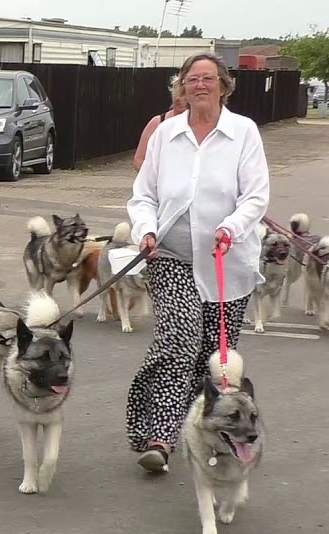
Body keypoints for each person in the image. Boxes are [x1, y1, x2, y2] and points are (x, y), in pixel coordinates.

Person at [124, 52, 271, 474]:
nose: (200, 85)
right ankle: (160, 439)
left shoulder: (243, 132)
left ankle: (206, 435)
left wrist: (231, 226)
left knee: (212, 358)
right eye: (192, 79)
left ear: (224, 85)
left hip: (227, 260)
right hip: (170, 256)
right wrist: (145, 230)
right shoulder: (166, 134)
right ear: (182, 87)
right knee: (177, 344)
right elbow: (143, 194)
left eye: (208, 78)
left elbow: (256, 196)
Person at [132, 75, 187, 171]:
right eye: (176, 94)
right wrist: (152, 177)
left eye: (183, 95)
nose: (178, 99)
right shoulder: (157, 122)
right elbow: (138, 159)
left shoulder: (199, 125)